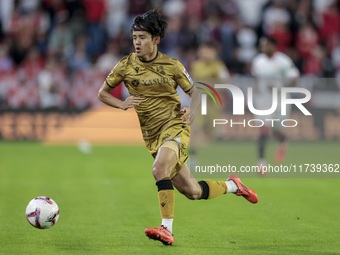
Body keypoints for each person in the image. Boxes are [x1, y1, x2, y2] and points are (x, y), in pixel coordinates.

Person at [98, 10, 258, 246]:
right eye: (134, 37)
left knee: (159, 168)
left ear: (156, 40)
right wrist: (122, 104)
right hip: (151, 135)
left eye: (142, 37)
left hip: (175, 126)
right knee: (193, 192)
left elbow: (194, 92)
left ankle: (166, 229)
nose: (137, 42)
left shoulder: (172, 65)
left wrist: (190, 110)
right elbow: (102, 93)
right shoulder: (125, 65)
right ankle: (234, 185)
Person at [251, 36, 299, 171]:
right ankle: (261, 162)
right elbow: (256, 78)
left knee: (276, 130)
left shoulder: (283, 61)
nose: (263, 48)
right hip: (263, 99)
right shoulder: (258, 61)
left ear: (273, 46)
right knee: (264, 127)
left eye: (265, 45)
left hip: (280, 98)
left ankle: (283, 141)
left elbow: (295, 78)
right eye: (262, 45)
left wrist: (280, 86)